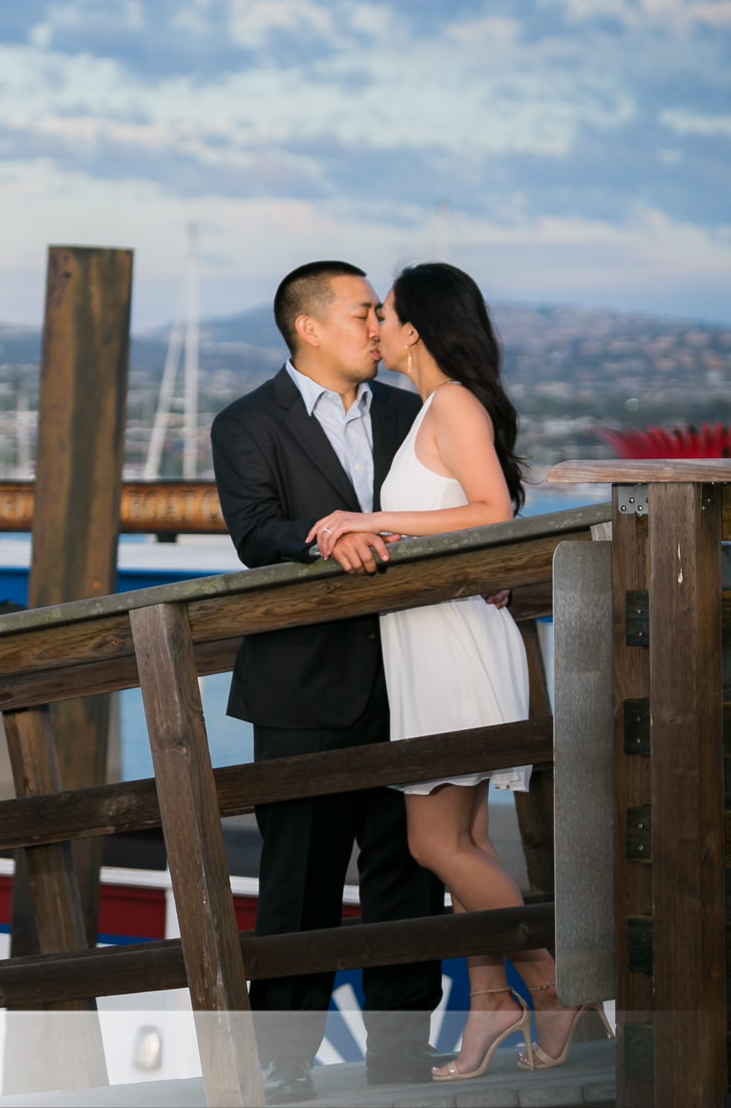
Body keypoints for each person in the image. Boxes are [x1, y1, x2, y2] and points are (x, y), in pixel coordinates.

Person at [307, 263, 608, 1080]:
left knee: (436, 842)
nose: (375, 327)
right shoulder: (432, 410)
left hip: (454, 645)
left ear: (417, 328)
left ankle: (547, 987)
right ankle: (490, 1005)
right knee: (466, 839)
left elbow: (491, 514)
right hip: (433, 640)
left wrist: (367, 520)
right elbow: (467, 516)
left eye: (386, 314)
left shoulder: (454, 405)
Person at [210, 261, 448, 1103]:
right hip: (303, 688)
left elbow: (451, 508)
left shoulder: (411, 412)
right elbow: (253, 531)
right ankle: (281, 1065)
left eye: (380, 312)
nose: (380, 326)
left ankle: (403, 1058)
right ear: (309, 327)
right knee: (298, 885)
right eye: (364, 312)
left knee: (410, 877)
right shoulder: (245, 423)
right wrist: (323, 540)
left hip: (413, 671)